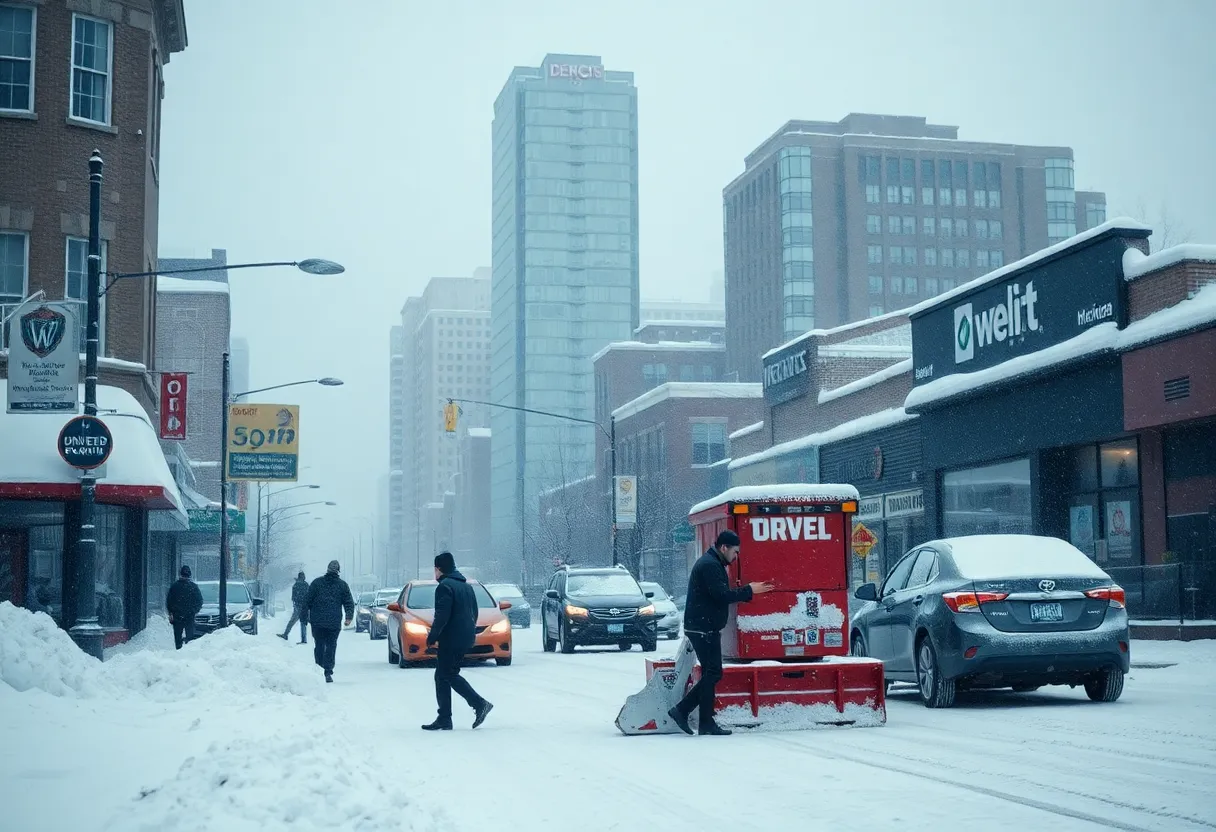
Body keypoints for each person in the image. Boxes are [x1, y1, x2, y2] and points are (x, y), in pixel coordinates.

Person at [668, 530, 773, 736]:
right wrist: (749, 590)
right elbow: (721, 595)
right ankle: (682, 710)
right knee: (714, 673)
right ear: (724, 548)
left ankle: (705, 722)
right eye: (735, 552)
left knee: (711, 673)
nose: (736, 557)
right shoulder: (710, 565)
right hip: (703, 628)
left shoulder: (712, 563)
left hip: (704, 626)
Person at [422, 551, 493, 731]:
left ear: (439, 569)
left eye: (435, 569)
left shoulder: (445, 587)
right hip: (465, 637)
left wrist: (432, 637)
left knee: (448, 674)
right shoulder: (466, 586)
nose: (435, 573)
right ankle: (444, 718)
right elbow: (474, 613)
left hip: (451, 638)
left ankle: (479, 704)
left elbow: (442, 616)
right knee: (442, 675)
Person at [303, 560, 354, 683]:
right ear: (338, 571)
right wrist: (348, 617)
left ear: (327, 569)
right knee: (331, 646)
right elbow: (348, 602)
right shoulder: (342, 585)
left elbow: (307, 601)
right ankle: (327, 671)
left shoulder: (317, 583)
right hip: (333, 622)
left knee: (319, 645)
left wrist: (304, 617)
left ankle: (319, 668)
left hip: (317, 622)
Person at [165, 565, 203, 650]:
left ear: (180, 574)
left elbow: (169, 602)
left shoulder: (174, 587)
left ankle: (179, 650)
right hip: (189, 615)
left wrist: (171, 612)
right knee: (190, 635)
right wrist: (194, 611)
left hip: (177, 615)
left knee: (178, 636)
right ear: (189, 575)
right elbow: (199, 601)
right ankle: (188, 651)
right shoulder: (193, 587)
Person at [278, 571, 310, 644]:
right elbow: (309, 596)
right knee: (303, 622)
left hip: (298, 607)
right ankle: (304, 639)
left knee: (292, 621)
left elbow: (293, 597)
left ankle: (286, 634)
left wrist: (295, 604)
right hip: (305, 607)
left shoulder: (296, 585)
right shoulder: (306, 585)